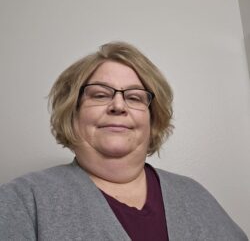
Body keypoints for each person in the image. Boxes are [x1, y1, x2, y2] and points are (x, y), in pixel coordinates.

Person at [0, 42, 248, 241]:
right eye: (100, 94)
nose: (118, 105)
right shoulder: (23, 200)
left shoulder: (194, 195)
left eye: (135, 97)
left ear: (153, 118)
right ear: (72, 112)